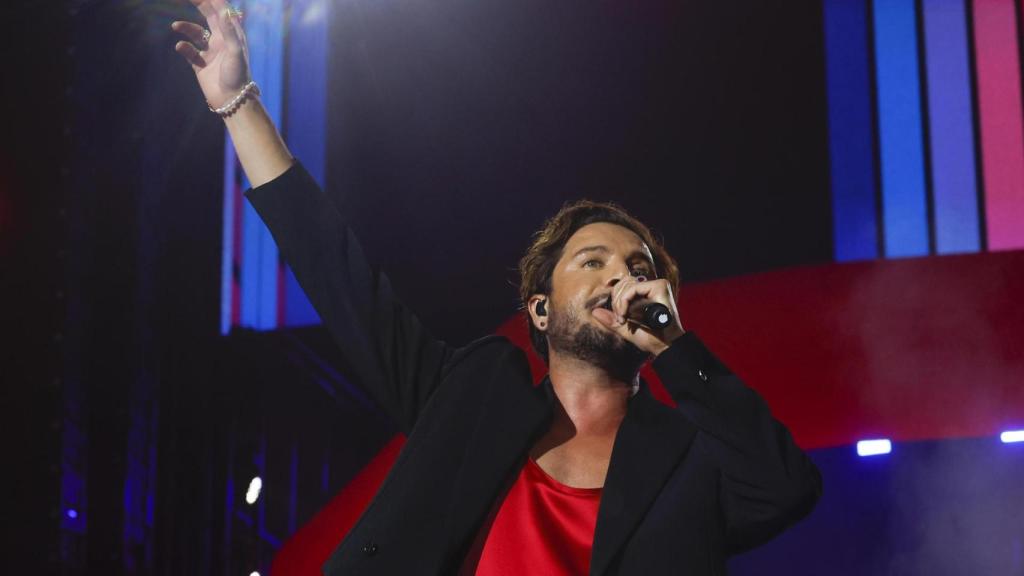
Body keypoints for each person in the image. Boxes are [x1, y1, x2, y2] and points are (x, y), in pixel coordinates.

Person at [172, 1, 822, 574]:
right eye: (593, 261)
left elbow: (784, 488)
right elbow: (336, 272)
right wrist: (239, 105)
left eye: (640, 267)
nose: (623, 275)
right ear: (540, 309)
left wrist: (675, 345)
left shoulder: (687, 457)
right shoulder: (471, 399)